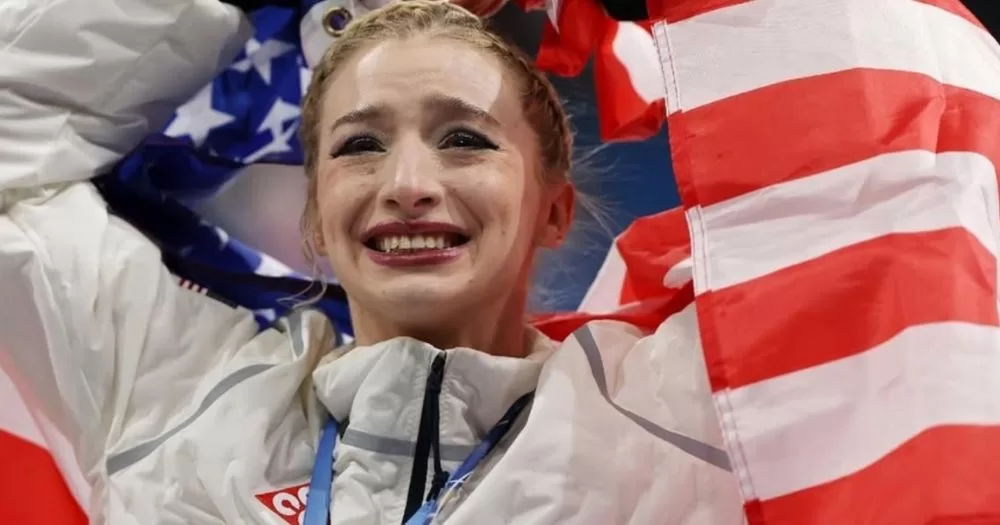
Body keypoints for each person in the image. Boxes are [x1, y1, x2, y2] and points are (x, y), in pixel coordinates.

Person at [0, 0, 741, 523]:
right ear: (315, 217)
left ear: (555, 209)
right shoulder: (174, 390)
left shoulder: (689, 410)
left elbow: (843, 184)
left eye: (465, 139)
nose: (409, 186)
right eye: (360, 145)